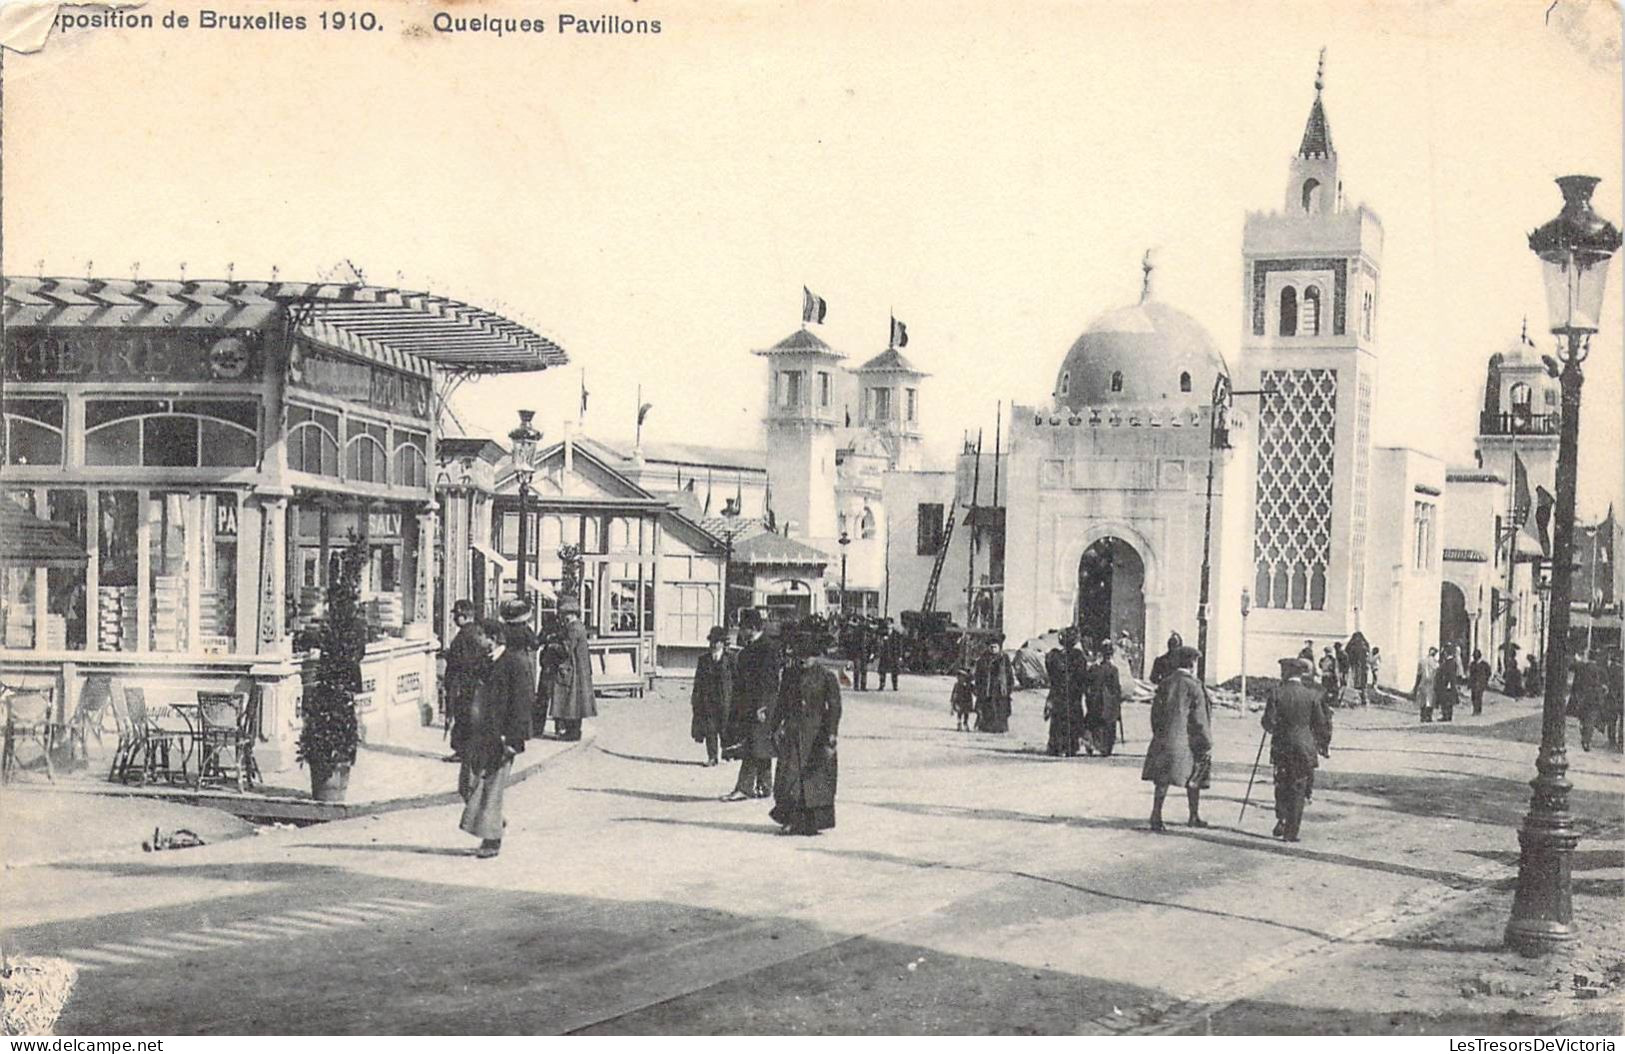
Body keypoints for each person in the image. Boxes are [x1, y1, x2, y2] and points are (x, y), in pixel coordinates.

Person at [458, 619, 530, 859]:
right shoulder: (482, 662)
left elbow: (521, 705)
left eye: (480, 635)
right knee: (467, 784)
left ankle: (492, 840)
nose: (477, 639)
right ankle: (495, 821)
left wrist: (513, 740)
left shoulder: (514, 664)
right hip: (478, 736)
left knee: (490, 790)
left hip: (500, 738)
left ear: (493, 638)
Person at [770, 630, 843, 835]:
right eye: (799, 656)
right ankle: (791, 819)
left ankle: (812, 822)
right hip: (793, 733)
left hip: (816, 735)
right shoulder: (789, 675)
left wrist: (831, 734)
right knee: (789, 777)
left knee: (814, 779)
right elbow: (781, 704)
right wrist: (775, 727)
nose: (802, 660)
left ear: (815, 656)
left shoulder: (826, 676)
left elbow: (835, 707)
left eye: (807, 656)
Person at [1141, 646, 1212, 832]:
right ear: (1192, 663)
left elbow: (1154, 713)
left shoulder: (1165, 683)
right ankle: (1193, 815)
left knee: (1161, 779)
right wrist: (1206, 741)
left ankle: (1156, 815)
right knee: (1195, 776)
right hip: (1187, 741)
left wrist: (1159, 733)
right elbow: (1199, 719)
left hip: (1164, 738)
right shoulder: (1194, 686)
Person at [1263, 657, 1332, 843]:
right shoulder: (1312, 695)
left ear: (1286, 673)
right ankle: (1291, 832)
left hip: (1281, 747)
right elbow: (1320, 724)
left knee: (1281, 783)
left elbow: (1267, 723)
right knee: (1298, 787)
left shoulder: (1276, 693)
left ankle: (1282, 818)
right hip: (1304, 748)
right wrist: (1322, 744)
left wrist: (1275, 727)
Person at [722, 608, 779, 801]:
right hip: (750, 704)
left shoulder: (768, 648)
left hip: (761, 705)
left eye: (743, 627)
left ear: (752, 628)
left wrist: (762, 706)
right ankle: (765, 786)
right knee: (760, 744)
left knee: (753, 745)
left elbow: (770, 681)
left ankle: (744, 788)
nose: (739, 631)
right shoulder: (751, 648)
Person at [545, 595, 595, 740]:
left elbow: (566, 649)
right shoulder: (578, 626)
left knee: (571, 702)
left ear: (569, 614)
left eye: (563, 614)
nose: (562, 617)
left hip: (573, 671)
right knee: (574, 702)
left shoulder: (573, 628)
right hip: (578, 670)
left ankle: (571, 733)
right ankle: (572, 731)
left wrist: (552, 645)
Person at [442, 599, 485, 763]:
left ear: (463, 616)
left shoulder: (465, 635)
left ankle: (462, 750)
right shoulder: (477, 632)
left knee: (462, 715)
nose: (454, 619)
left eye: (457, 615)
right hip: (472, 682)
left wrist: (449, 656)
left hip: (462, 681)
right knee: (467, 715)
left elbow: (463, 660)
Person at [497, 598, 539, 741]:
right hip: (521, 662)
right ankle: (523, 731)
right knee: (523, 697)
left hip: (505, 661)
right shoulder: (525, 629)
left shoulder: (503, 628)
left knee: (507, 695)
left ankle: (505, 728)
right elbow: (535, 644)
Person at [691, 626, 733, 766]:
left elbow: (736, 680)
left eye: (717, 641)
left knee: (726, 728)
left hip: (725, 699)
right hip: (708, 700)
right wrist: (696, 699)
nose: (714, 644)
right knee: (710, 729)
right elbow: (698, 681)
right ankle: (712, 757)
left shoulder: (730, 659)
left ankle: (727, 754)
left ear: (722, 643)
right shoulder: (703, 660)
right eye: (712, 641)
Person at [1086, 641, 1124, 757]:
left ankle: (1093, 744)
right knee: (1108, 724)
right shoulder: (1113, 670)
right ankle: (1105, 747)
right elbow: (1116, 688)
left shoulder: (1094, 669)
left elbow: (1088, 683)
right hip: (1108, 702)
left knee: (1093, 723)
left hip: (1095, 700)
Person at [1044, 628, 1077, 756]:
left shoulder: (1054, 655)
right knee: (1069, 719)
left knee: (1058, 720)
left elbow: (1050, 672)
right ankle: (1068, 747)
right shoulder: (1077, 656)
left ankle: (1057, 746)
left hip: (1059, 692)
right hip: (1071, 694)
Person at [973, 636, 1014, 733]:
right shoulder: (983, 659)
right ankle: (986, 727)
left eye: (995, 647)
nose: (993, 649)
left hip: (1000, 688)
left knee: (1001, 708)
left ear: (999, 647)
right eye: (991, 647)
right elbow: (978, 674)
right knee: (987, 706)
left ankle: (1000, 728)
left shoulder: (1004, 658)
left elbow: (1009, 674)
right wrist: (978, 687)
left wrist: (1009, 687)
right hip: (987, 687)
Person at [1569, 656, 1607, 752]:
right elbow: (1605, 686)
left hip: (1584, 698)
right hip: (1594, 699)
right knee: (1591, 720)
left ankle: (1584, 735)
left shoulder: (1582, 668)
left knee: (1583, 718)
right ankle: (1587, 740)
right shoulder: (1600, 670)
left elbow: (1577, 682)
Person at [1435, 643, 1461, 723]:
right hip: (1449, 684)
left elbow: (1449, 674)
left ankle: (1446, 715)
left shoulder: (1449, 663)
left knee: (1445, 700)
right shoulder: (1452, 662)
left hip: (1447, 684)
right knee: (1448, 700)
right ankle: (1448, 715)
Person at [1413, 647, 1438, 722]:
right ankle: (1428, 716)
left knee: (1423, 700)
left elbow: (1418, 674)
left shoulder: (1422, 661)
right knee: (1430, 700)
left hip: (1423, 682)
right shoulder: (1435, 663)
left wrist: (1416, 685)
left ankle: (1423, 716)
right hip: (1431, 683)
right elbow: (1437, 674)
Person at [876, 621, 903, 691]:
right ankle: (882, 685)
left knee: (895, 672)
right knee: (882, 671)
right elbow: (879, 644)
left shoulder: (896, 634)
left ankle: (895, 685)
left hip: (894, 655)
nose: (889, 626)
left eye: (890, 624)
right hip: (885, 655)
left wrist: (900, 655)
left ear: (892, 625)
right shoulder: (883, 634)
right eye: (887, 625)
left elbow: (899, 645)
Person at [1346, 631, 1371, 699]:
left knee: (1358, 679)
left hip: (1358, 665)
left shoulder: (1353, 644)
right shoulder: (1364, 645)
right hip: (1359, 665)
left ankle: (1360, 694)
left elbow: (1347, 652)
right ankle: (1361, 694)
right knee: (1359, 679)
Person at [950, 666, 975, 732]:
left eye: (962, 676)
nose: (960, 678)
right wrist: (953, 703)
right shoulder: (957, 685)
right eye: (959, 676)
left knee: (966, 713)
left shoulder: (969, 685)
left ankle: (965, 723)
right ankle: (959, 723)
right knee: (960, 712)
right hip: (960, 701)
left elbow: (974, 691)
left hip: (967, 701)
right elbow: (954, 693)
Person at [1468, 649, 1492, 716]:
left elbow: (1489, 672)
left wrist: (1485, 680)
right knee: (1473, 697)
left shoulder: (1484, 664)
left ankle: (1477, 710)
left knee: (1478, 696)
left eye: (1476, 656)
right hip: (1474, 683)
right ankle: (1475, 709)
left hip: (1480, 683)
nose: (1475, 658)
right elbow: (1471, 674)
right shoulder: (1472, 664)